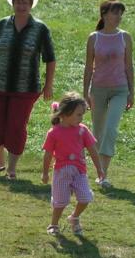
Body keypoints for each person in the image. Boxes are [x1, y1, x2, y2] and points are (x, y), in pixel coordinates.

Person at [0, 0, 56, 180]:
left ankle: (12, 168)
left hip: (26, 88)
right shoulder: (1, 25)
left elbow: (50, 59)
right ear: (12, 3)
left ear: (31, 5)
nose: (21, 6)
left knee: (16, 126)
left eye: (25, 2)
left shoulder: (40, 29)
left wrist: (48, 85)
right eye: (18, 2)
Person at [82, 0, 134, 189]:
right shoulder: (94, 38)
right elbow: (89, 67)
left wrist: (131, 92)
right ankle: (99, 172)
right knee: (98, 132)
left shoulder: (125, 37)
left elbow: (129, 66)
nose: (118, 17)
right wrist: (85, 92)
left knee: (111, 129)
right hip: (98, 90)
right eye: (115, 13)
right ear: (104, 14)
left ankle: (103, 174)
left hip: (120, 89)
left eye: (120, 13)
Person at [41, 92, 104, 236]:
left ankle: (74, 217)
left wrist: (99, 169)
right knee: (60, 201)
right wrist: (45, 173)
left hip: (79, 172)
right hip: (61, 172)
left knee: (85, 197)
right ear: (65, 113)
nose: (81, 118)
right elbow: (48, 155)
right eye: (78, 114)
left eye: (82, 115)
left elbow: (93, 150)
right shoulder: (54, 133)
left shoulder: (83, 130)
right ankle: (54, 224)